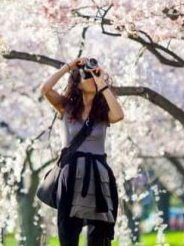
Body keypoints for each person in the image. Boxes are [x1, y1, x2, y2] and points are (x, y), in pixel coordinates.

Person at [40, 57, 125, 246]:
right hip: (70, 174)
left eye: (93, 77)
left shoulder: (103, 113)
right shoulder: (66, 107)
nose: (92, 80)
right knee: (68, 232)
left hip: (98, 174)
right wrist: (69, 67)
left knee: (99, 235)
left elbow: (118, 115)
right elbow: (45, 89)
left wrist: (101, 83)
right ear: (77, 85)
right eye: (87, 77)